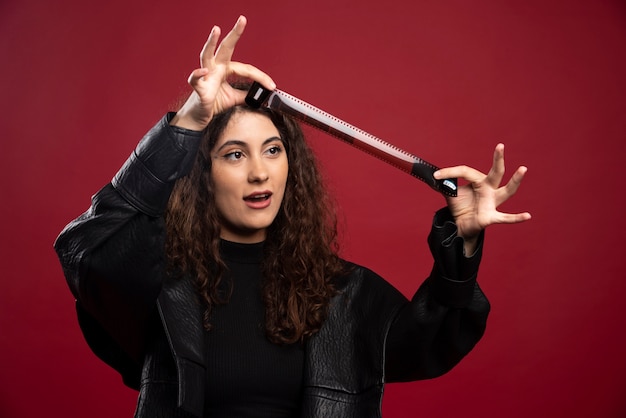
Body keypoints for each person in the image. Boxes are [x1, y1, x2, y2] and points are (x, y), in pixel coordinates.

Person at [54, 15, 530, 418]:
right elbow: (89, 253)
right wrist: (191, 121)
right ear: (203, 174)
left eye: (273, 150)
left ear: (290, 167)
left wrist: (463, 243)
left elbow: (432, 341)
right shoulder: (160, 283)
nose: (260, 172)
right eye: (234, 155)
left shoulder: (342, 294)